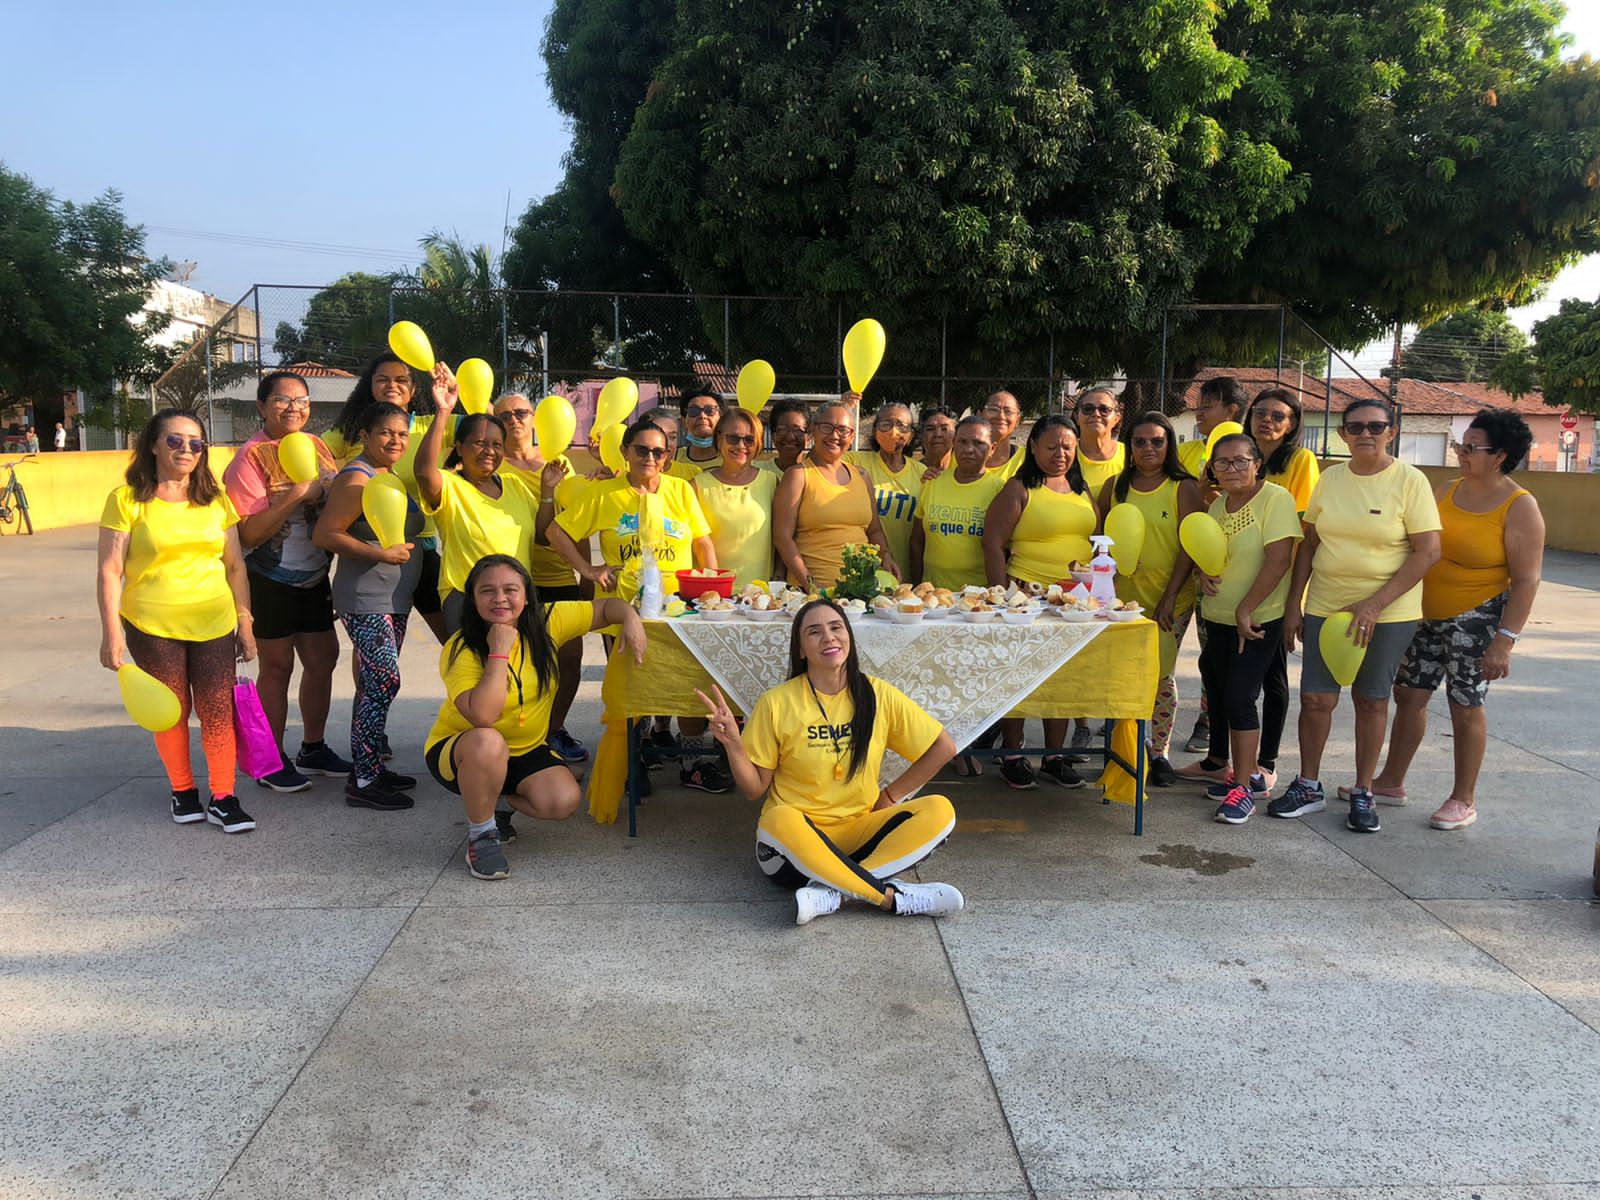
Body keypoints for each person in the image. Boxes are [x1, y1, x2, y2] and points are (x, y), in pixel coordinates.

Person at [697, 599, 964, 925]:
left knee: (939, 809)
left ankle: (832, 891)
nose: (828, 638)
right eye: (814, 632)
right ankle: (889, 898)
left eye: (836, 628)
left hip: (859, 836)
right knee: (778, 818)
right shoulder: (777, 703)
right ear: (801, 650)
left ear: (849, 637)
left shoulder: (877, 694)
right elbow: (754, 790)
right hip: (793, 848)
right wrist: (734, 746)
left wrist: (891, 797)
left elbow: (943, 746)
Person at [1370, 410, 1544, 830]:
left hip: (1477, 620)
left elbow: (1526, 580)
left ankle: (1462, 798)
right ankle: (1391, 780)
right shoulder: (1447, 489)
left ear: (1499, 455)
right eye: (1459, 445)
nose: (1461, 453)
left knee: (1465, 704)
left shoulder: (1519, 506)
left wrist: (1504, 640)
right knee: (1409, 694)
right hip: (1425, 613)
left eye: (1471, 447)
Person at [1274, 399, 1442, 832]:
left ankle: (1364, 789)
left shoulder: (1409, 481)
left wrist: (1375, 603)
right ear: (1343, 434)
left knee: (1371, 700)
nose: (1365, 434)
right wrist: (1295, 604)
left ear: (1392, 431)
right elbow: (1309, 545)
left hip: (1387, 614)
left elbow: (1428, 551)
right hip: (1326, 606)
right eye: (1355, 427)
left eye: (1375, 426)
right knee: (1316, 699)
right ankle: (1308, 785)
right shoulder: (1330, 480)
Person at [425, 555, 647, 880]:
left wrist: (630, 618)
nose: (500, 598)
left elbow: (605, 609)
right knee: (488, 741)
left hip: (525, 748)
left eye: (510, 589)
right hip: (465, 751)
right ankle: (481, 836)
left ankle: (498, 801)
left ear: (526, 595)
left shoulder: (547, 620)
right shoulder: (461, 648)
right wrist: (499, 650)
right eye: (487, 591)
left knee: (563, 800)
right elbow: (484, 716)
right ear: (472, 599)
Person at [543, 416, 730, 792]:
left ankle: (691, 762)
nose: (650, 457)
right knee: (632, 689)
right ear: (626, 452)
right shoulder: (603, 493)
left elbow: (702, 543)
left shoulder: (680, 490)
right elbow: (555, 531)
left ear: (667, 456)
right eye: (641, 449)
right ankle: (633, 760)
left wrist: (712, 592)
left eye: (658, 451)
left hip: (679, 609)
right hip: (622, 610)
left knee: (688, 685)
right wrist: (588, 568)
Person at [97, 411, 257, 833]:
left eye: (195, 443)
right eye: (175, 441)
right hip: (152, 624)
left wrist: (245, 621)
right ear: (153, 445)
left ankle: (224, 797)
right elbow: (110, 570)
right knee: (171, 711)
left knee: (218, 709)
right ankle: (183, 791)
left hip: (214, 620)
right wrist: (111, 632)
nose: (186, 449)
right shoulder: (127, 499)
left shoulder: (216, 499)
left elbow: (236, 566)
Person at [222, 370, 349, 793]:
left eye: (302, 400)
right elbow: (248, 535)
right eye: (282, 400)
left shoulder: (315, 446)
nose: (294, 407)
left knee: (322, 659)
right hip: (268, 579)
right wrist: (296, 494)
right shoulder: (249, 459)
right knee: (277, 668)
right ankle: (270, 759)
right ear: (261, 407)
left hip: (314, 577)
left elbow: (334, 498)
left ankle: (313, 747)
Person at [1183, 434, 1303, 824]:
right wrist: (1204, 573)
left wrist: (1247, 607)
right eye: (1222, 463)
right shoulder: (1218, 505)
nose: (1231, 469)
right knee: (1217, 691)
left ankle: (1247, 786)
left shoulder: (1275, 499)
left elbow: (1279, 560)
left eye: (1240, 461)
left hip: (1255, 619)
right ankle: (1234, 769)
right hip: (1217, 617)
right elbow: (1212, 554)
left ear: (1256, 463)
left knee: (1239, 697)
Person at [312, 401, 424, 811]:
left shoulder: (388, 475)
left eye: (402, 434)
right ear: (365, 436)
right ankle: (363, 780)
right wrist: (379, 555)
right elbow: (325, 534)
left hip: (394, 599)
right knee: (383, 681)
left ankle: (371, 765)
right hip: (365, 598)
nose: (395, 440)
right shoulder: (355, 479)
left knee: (378, 684)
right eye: (386, 433)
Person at [982, 413, 1095, 789]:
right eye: (1051, 446)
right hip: (1024, 599)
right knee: (1020, 677)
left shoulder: (1083, 489)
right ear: (1033, 448)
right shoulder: (1019, 488)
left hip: (1073, 602)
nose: (1060, 454)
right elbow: (993, 544)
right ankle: (1013, 752)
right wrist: (1002, 599)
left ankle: (1054, 756)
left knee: (1061, 678)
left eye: (1067, 446)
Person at [1100, 412, 1203, 787]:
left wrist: (1170, 595)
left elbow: (1190, 547)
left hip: (1168, 601)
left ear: (1169, 445)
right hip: (1121, 603)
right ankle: (1125, 750)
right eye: (1140, 442)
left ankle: (1158, 753)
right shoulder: (1115, 486)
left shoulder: (1183, 488)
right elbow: (1102, 542)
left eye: (1157, 441)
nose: (1148, 448)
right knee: (1121, 679)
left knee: (1160, 677)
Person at [326, 354, 450, 644]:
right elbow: (313, 450)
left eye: (401, 379)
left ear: (414, 388)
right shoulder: (354, 430)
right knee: (375, 661)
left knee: (453, 638)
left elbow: (484, 428)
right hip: (372, 555)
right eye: (382, 379)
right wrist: (326, 478)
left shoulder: (432, 424)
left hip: (422, 547)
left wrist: (456, 392)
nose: (391, 385)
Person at [495, 391, 591, 765]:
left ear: (534, 419)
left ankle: (555, 729)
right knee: (522, 667)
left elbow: (579, 525)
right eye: (505, 416)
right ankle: (523, 736)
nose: (514, 420)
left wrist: (586, 580)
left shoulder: (560, 461)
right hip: (518, 582)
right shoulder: (492, 467)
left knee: (569, 660)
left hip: (561, 576)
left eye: (521, 413)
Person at [413, 365, 539, 633]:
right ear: (459, 447)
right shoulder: (450, 486)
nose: (489, 451)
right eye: (480, 443)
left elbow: (541, 535)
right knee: (474, 673)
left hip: (516, 600)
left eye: (496, 444)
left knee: (518, 672)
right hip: (465, 600)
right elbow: (424, 473)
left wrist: (549, 493)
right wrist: (444, 411)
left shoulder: (515, 486)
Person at [773, 399, 899, 589]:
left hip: (860, 593)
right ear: (813, 431)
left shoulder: (862, 476)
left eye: (842, 430)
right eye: (827, 427)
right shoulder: (798, 476)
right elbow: (782, 538)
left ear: (852, 436)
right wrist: (810, 584)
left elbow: (874, 530)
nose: (834, 435)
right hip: (813, 593)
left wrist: (886, 556)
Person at [912, 414, 1003, 590]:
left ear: (992, 448)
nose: (969, 449)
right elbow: (917, 540)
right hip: (934, 594)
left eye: (978, 444)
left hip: (978, 597)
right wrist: (918, 586)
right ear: (954, 444)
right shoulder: (932, 482)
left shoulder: (1000, 491)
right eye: (962, 442)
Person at [694, 408, 778, 590]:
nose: (741, 445)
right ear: (718, 439)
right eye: (733, 438)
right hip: (710, 596)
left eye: (749, 440)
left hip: (760, 598)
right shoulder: (696, 487)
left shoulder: (772, 482)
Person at [848, 401, 923, 573]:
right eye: (886, 424)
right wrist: (845, 408)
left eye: (901, 426)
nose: (893, 431)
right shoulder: (855, 461)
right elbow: (819, 459)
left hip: (903, 571)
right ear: (875, 431)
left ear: (911, 435)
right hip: (863, 571)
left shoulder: (922, 473)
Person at [1249, 387, 1321, 513]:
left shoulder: (1301, 458)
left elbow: (1304, 515)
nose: (1266, 419)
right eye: (1260, 413)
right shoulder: (1239, 456)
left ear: (1291, 425)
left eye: (1277, 416)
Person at [1180, 376, 1248, 480]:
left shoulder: (1252, 452)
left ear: (1231, 411)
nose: (1198, 414)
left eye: (1206, 407)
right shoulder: (1181, 453)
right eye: (1197, 408)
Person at [1072, 387, 1127, 498]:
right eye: (1088, 409)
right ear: (1076, 417)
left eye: (1104, 410)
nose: (1096, 414)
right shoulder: (1063, 455)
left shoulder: (1131, 455)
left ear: (1117, 418)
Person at [678, 386, 724, 473]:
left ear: (721, 419)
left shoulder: (734, 459)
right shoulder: (671, 459)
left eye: (710, 410)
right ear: (684, 421)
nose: (702, 416)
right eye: (694, 411)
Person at [980, 390, 1025, 477]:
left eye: (1008, 411)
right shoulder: (956, 456)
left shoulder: (1027, 460)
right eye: (993, 409)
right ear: (979, 414)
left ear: (1017, 420)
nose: (1001, 416)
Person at [767, 398, 810, 473]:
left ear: (809, 436)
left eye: (797, 430)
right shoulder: (757, 471)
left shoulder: (814, 474)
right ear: (773, 435)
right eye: (782, 430)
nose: (790, 437)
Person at [917, 405, 958, 478]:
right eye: (930, 429)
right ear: (920, 434)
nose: (937, 434)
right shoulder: (912, 473)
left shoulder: (965, 473)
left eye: (944, 429)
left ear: (956, 435)